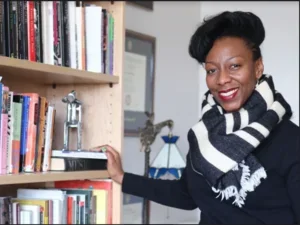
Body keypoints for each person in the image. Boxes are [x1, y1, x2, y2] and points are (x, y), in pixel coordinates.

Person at [102, 11, 300, 224]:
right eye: (212, 70)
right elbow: (187, 195)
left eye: (235, 66)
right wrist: (121, 177)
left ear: (258, 67)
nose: (222, 79)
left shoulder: (290, 140)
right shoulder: (206, 134)